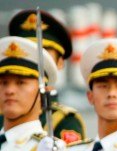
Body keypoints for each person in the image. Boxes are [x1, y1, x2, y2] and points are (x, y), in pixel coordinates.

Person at [3, 9, 86, 143]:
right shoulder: (5, 110)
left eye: (42, 52)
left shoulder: (62, 119)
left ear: (60, 62)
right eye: (27, 50)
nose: (34, 58)